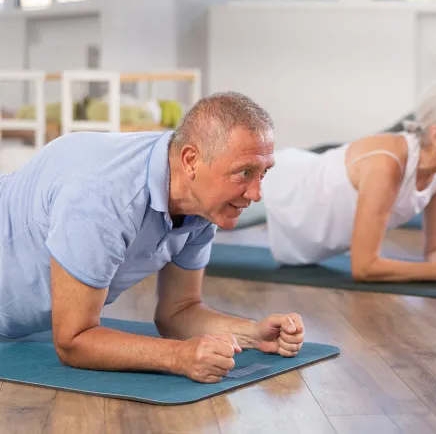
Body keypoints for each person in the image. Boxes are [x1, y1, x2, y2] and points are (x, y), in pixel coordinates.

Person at [0, 91, 305, 384]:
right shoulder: (104, 197)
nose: (256, 194)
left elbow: (178, 311)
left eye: (262, 173)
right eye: (244, 173)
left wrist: (253, 333)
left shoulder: (201, 202)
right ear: (190, 161)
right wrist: (179, 356)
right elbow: (73, 340)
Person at [243, 77, 436, 283]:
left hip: (307, 202)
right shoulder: (386, 165)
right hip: (280, 186)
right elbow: (364, 266)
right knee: (203, 220)